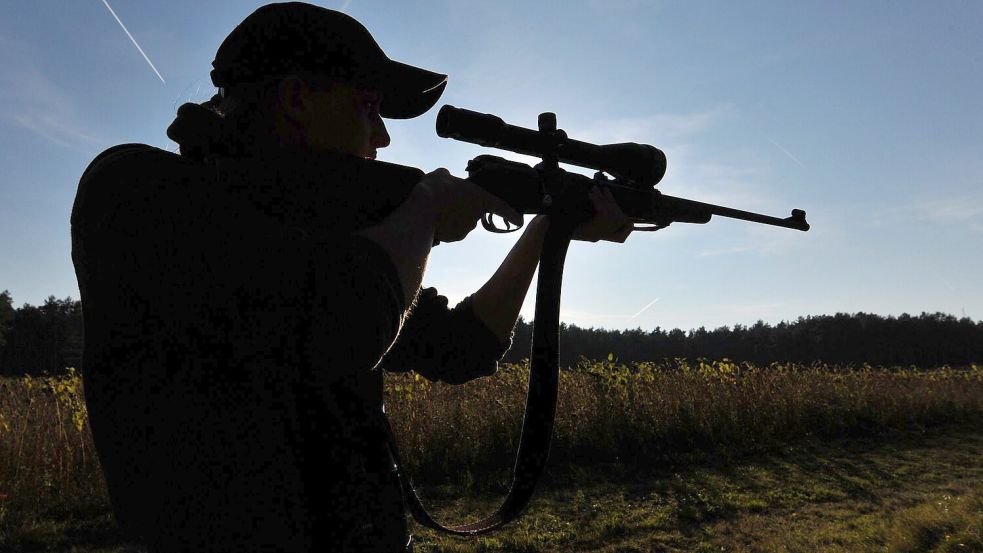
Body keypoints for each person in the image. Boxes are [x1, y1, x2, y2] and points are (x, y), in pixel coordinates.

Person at [71, 2, 632, 551]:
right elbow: (339, 326)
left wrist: (543, 231)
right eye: (369, 107)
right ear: (296, 99)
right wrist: (426, 210)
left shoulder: (328, 237)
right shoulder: (135, 190)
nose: (383, 137)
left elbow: (462, 347)